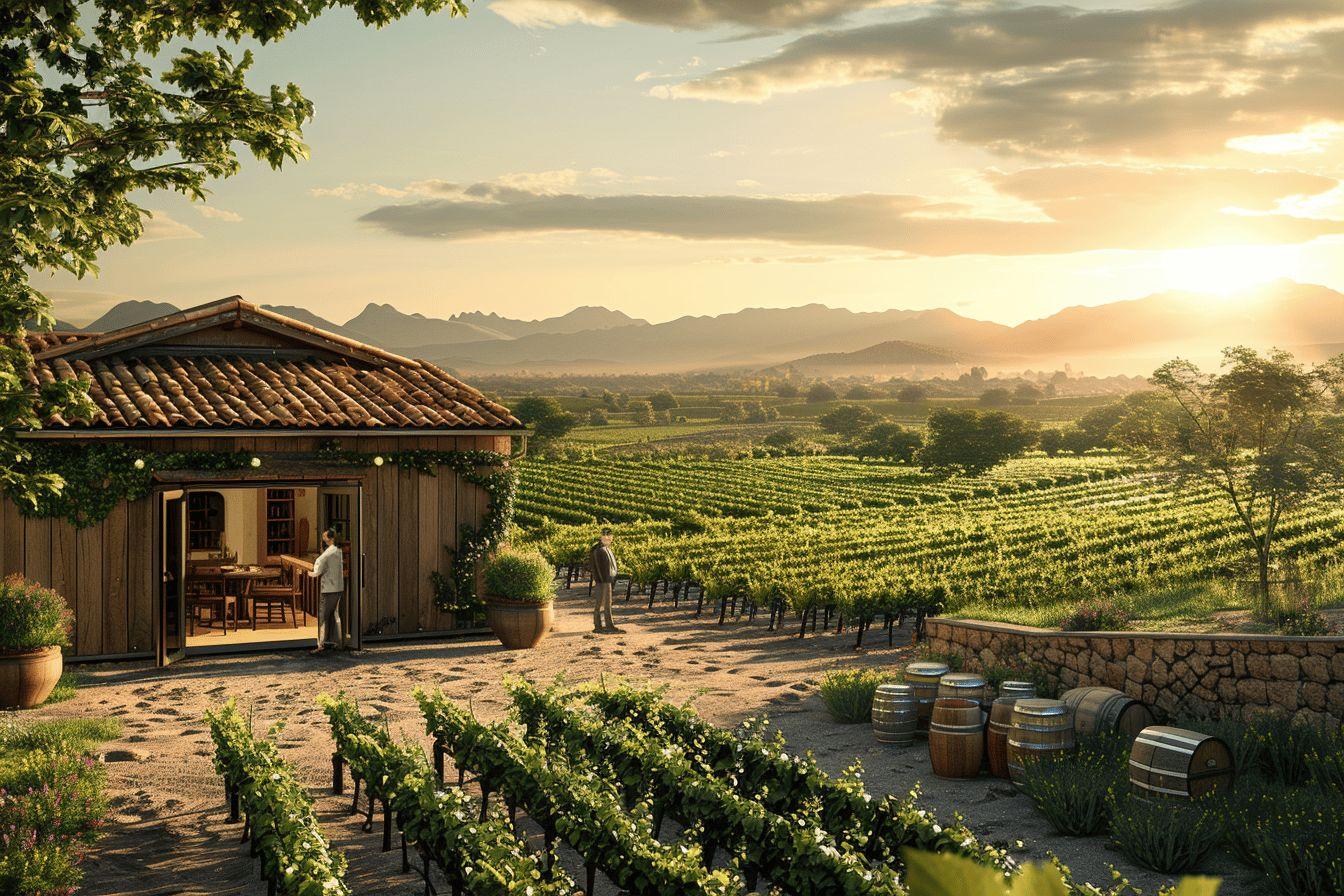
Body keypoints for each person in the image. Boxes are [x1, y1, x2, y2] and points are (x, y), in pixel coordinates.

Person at [310, 528, 344, 653]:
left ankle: (321, 644)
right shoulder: (338, 551)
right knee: (336, 614)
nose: (323, 540)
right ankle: (339, 641)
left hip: (328, 589)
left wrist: (310, 573)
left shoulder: (328, 553)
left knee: (323, 616)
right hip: (339, 587)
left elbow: (318, 568)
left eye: (324, 538)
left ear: (330, 539)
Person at [588, 527, 620, 634]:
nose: (611, 539)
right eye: (609, 536)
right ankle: (598, 626)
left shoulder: (606, 548)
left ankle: (609, 625)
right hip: (602, 581)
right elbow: (596, 567)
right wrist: (601, 580)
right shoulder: (597, 550)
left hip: (607, 580)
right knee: (600, 603)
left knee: (607, 603)